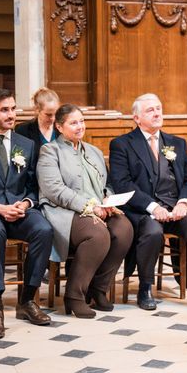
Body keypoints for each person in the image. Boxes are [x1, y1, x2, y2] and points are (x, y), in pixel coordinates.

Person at [109, 93, 187, 313]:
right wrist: (153, 207)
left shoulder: (176, 143)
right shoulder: (122, 144)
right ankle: (145, 288)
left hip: (175, 208)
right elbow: (122, 183)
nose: (157, 113)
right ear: (136, 118)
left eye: (159, 108)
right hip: (144, 211)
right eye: (150, 110)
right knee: (152, 232)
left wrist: (184, 203)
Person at [37, 104, 133, 318]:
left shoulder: (94, 151)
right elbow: (54, 190)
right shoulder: (50, 151)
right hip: (64, 211)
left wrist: (107, 198)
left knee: (124, 228)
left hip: (99, 208)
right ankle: (75, 296)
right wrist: (89, 207)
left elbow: (106, 183)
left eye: (81, 121)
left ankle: (97, 289)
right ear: (60, 127)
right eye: (73, 123)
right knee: (97, 234)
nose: (80, 126)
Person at [0, 88, 53, 339]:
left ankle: (27, 300)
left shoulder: (26, 144)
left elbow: (33, 186)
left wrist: (27, 204)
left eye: (13, 108)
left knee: (43, 229)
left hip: (18, 210)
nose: (12, 114)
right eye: (4, 110)